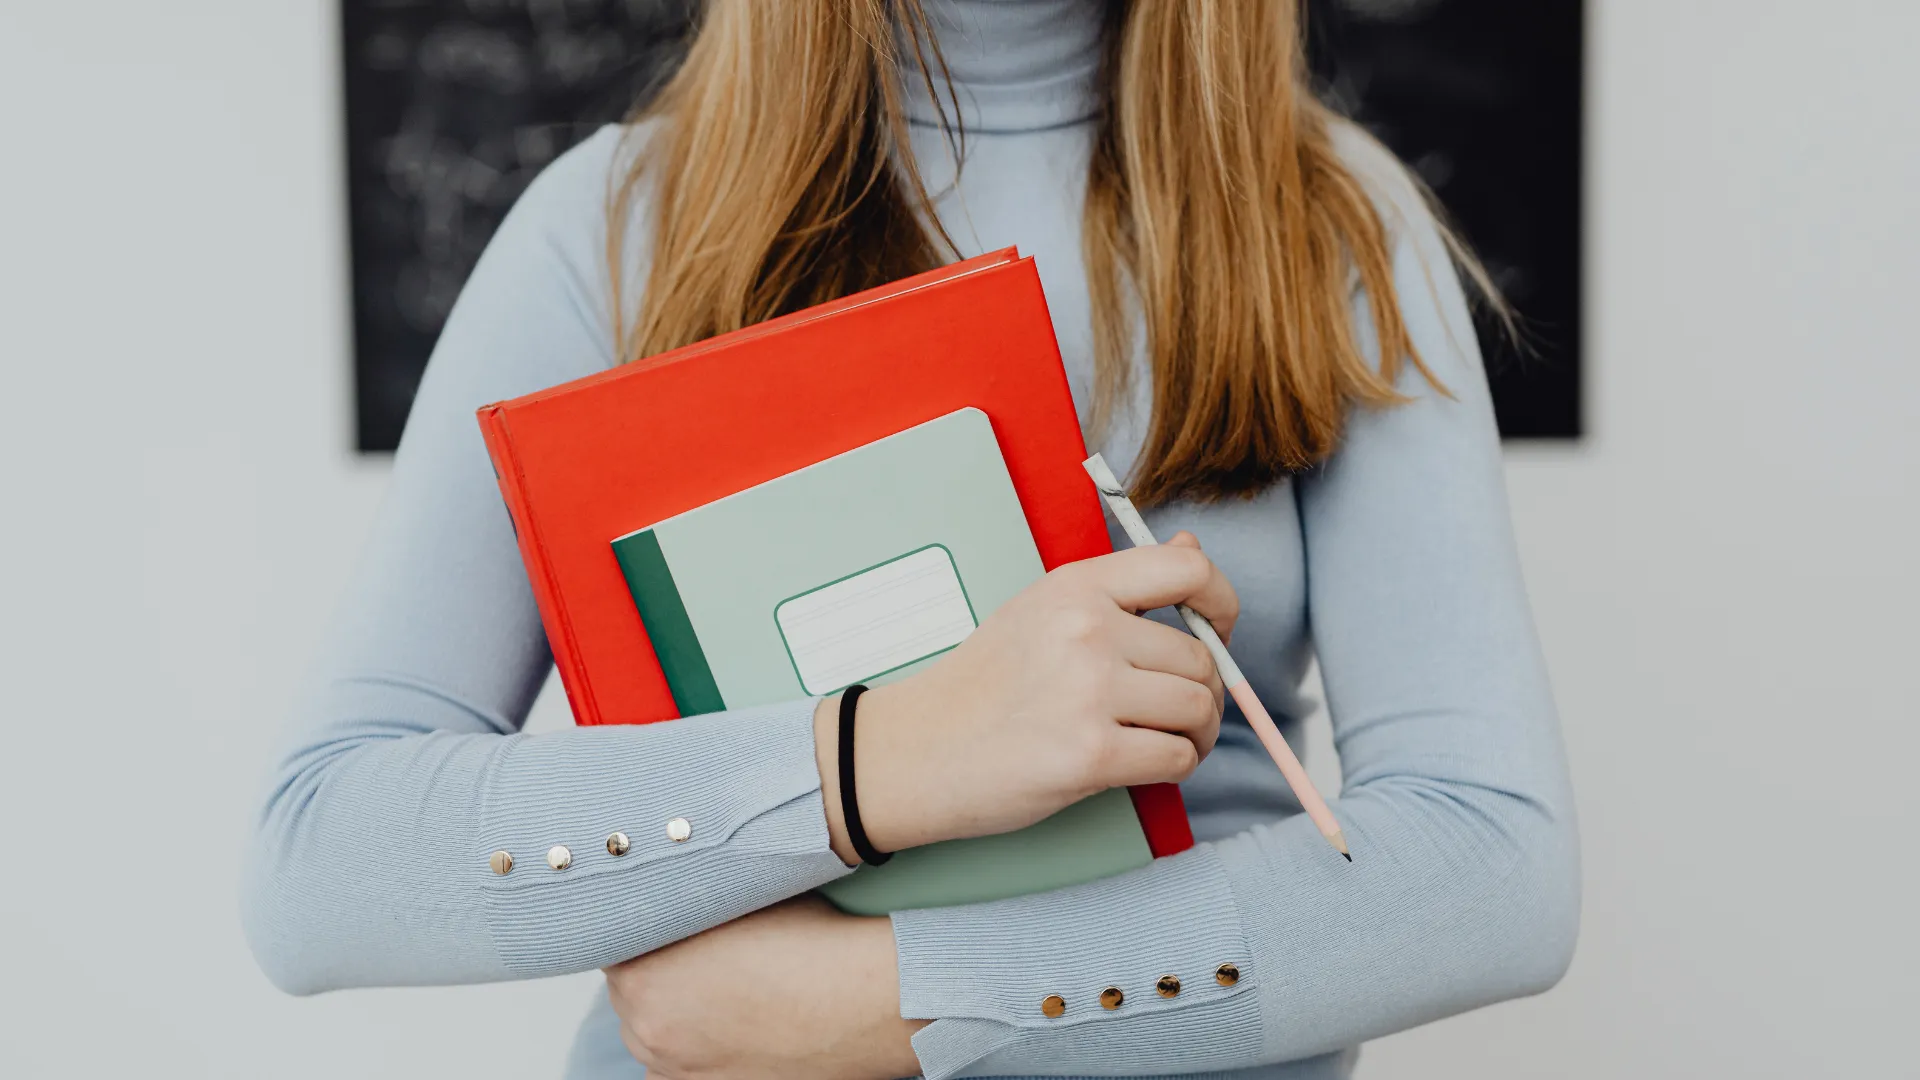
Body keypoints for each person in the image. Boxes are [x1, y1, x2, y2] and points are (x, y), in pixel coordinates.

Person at [241, 1, 1580, 1077]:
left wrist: (904, 1004)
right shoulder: (611, 229)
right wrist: (887, 757)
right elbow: (322, 865)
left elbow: (1492, 872)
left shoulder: (1334, 220)